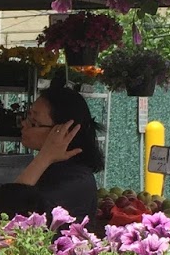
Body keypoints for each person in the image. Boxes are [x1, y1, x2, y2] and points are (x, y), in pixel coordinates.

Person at [11, 84, 103, 221]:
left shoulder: (74, 180)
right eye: (27, 117)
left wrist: (44, 157)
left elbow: (6, 214)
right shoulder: (53, 167)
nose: (24, 124)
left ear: (64, 132)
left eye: (34, 122)